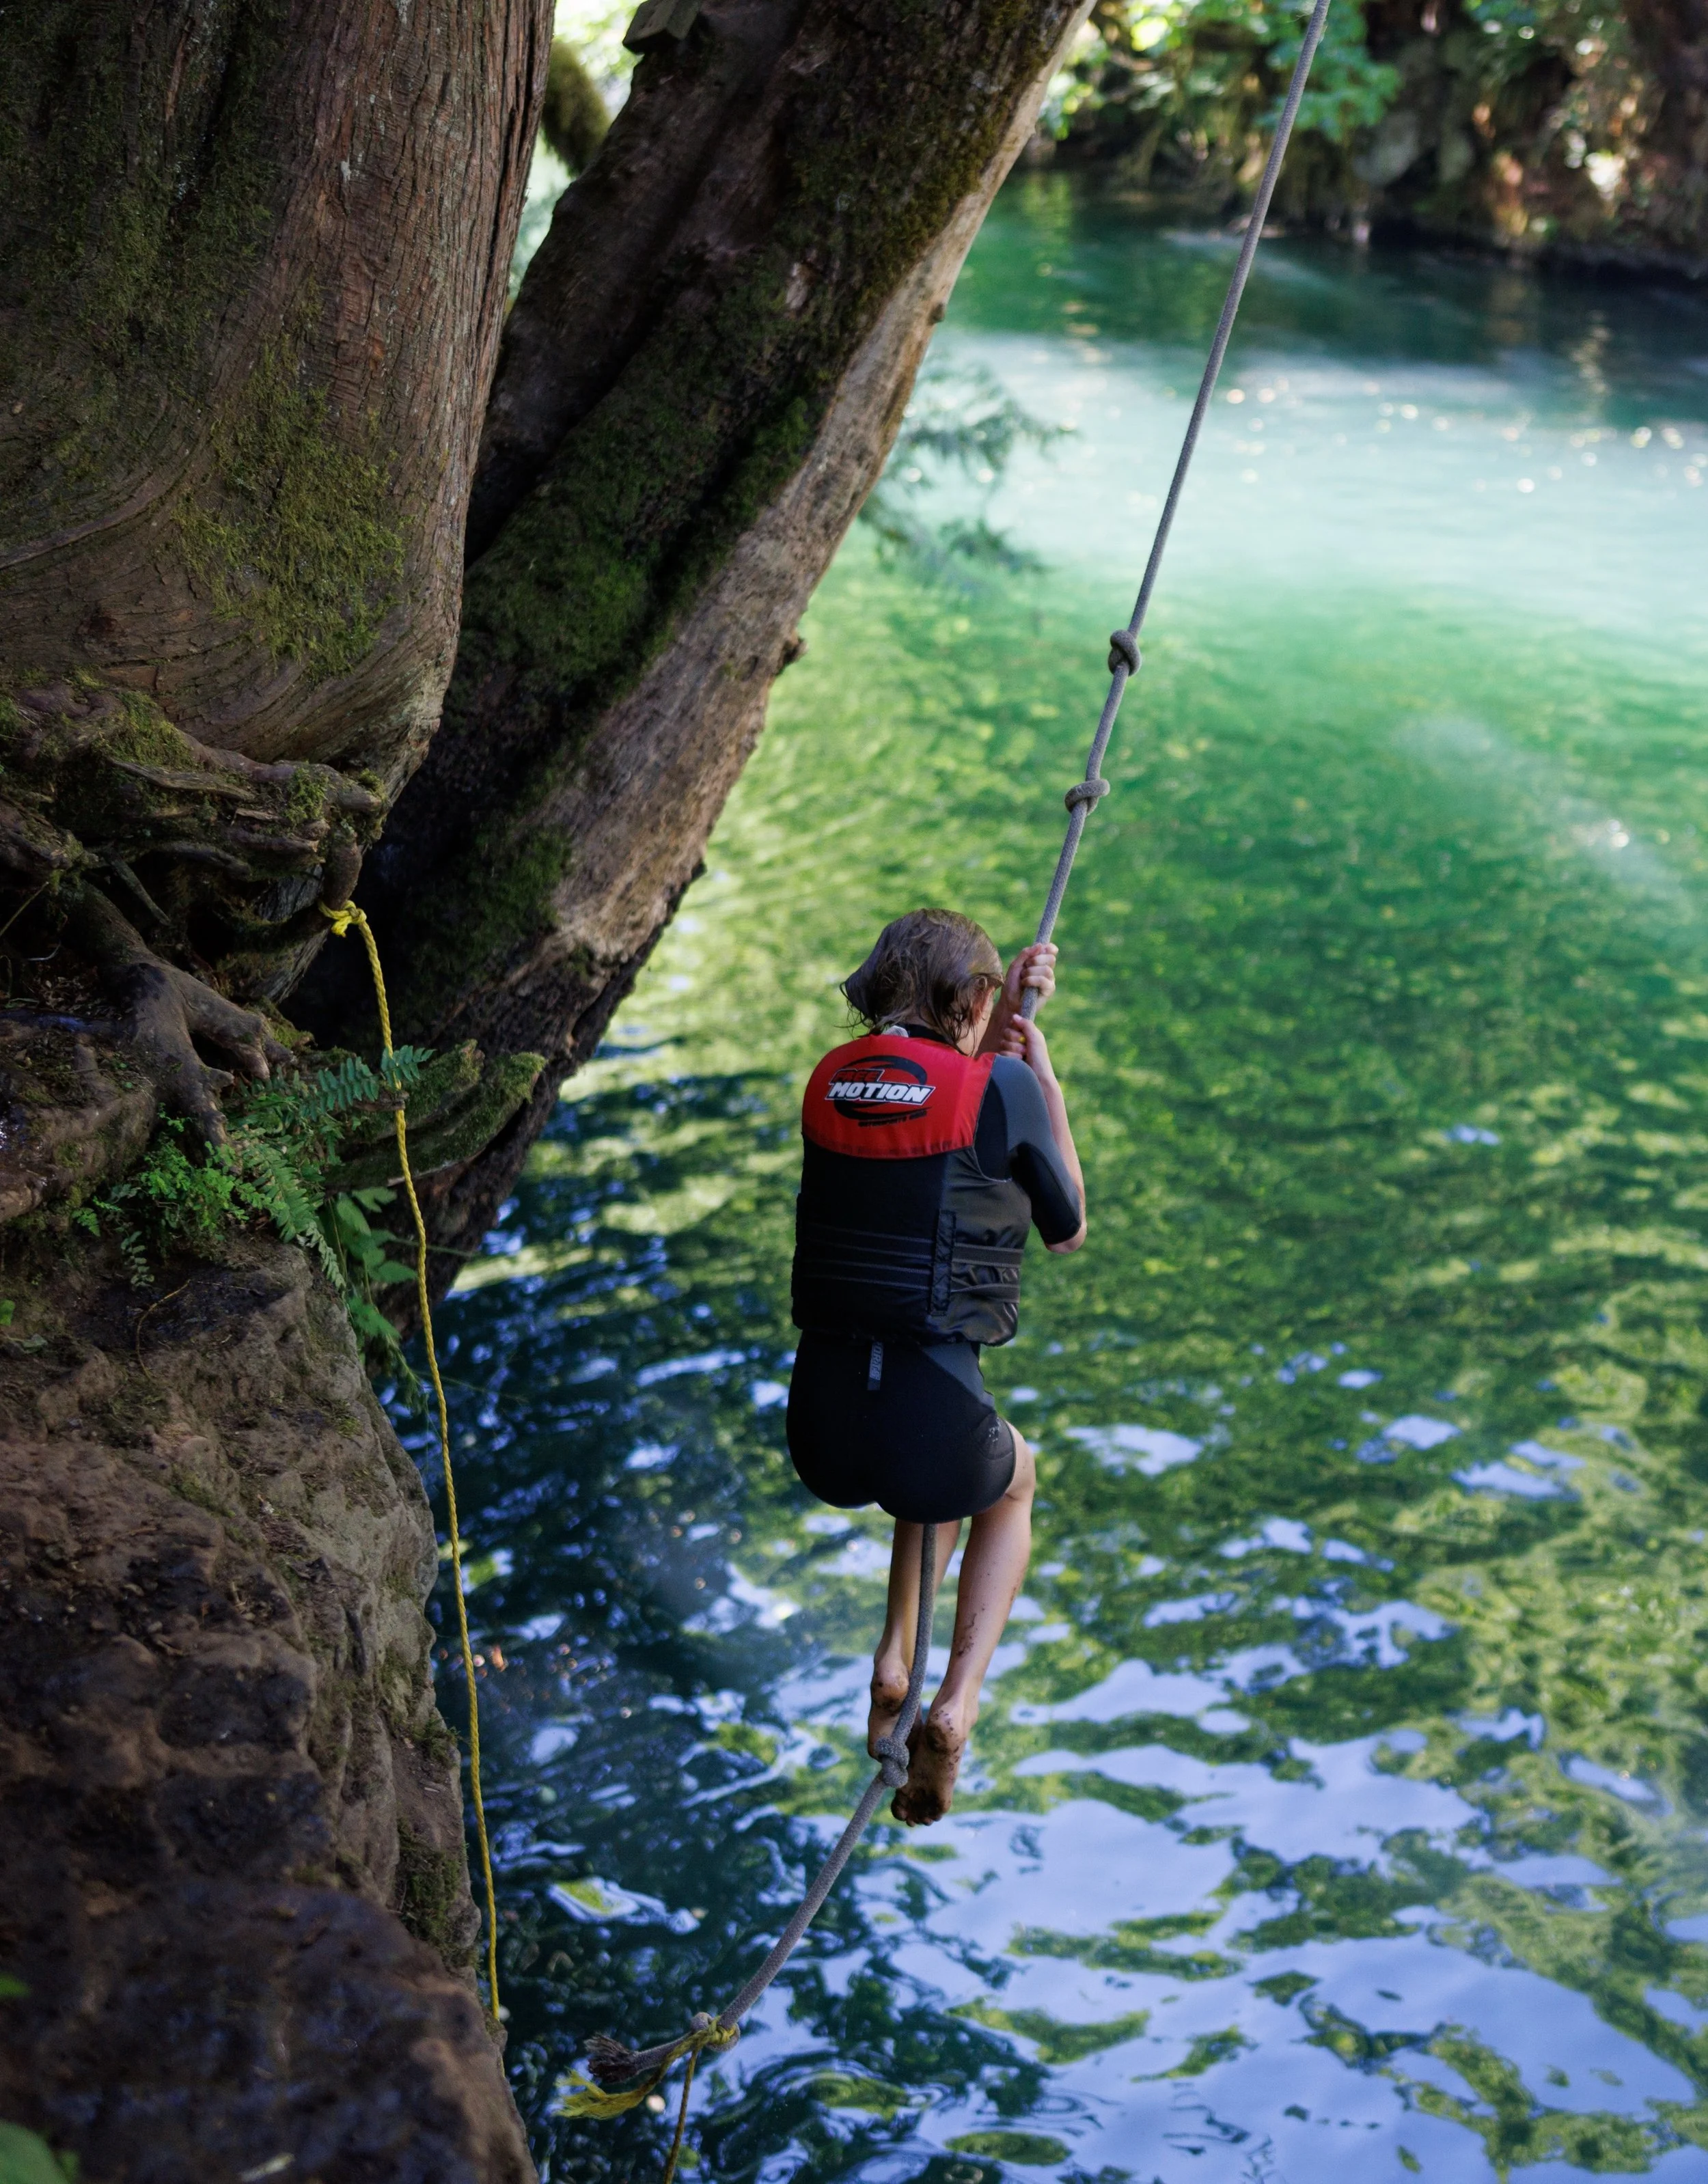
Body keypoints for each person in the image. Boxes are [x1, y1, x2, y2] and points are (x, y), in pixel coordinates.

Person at [786, 908, 1086, 1826]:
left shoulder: (829, 1080)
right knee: (1008, 1478)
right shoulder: (1005, 1088)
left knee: (927, 1471)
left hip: (824, 1428)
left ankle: (891, 1654)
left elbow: (925, 1095)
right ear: (973, 1000)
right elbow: (1067, 1228)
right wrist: (1048, 1085)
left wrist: (994, 1029)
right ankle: (956, 1698)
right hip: (935, 1425)